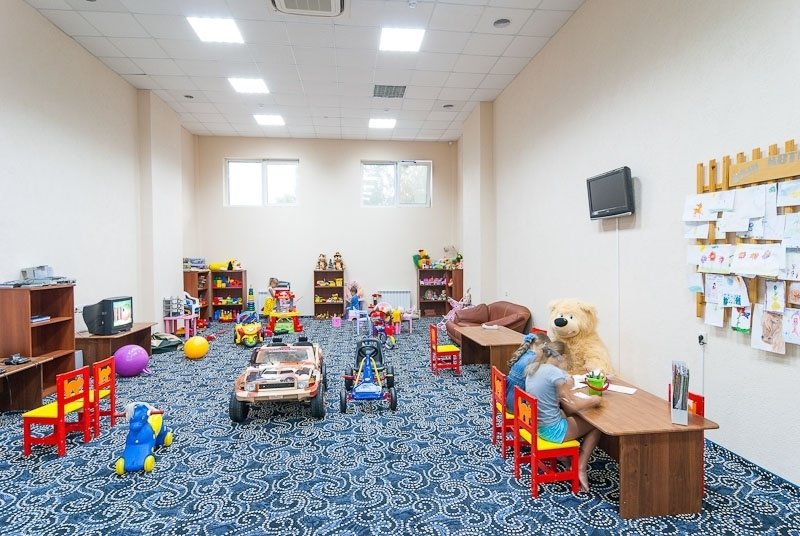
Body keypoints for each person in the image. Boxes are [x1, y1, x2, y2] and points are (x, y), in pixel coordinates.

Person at [524, 341, 602, 492]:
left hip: (537, 427)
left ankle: (564, 457)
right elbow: (573, 406)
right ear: (563, 357)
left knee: (564, 413)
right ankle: (580, 467)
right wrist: (594, 400)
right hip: (552, 431)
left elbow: (563, 400)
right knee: (597, 424)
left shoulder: (534, 368)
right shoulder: (555, 373)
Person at [505, 332, 551, 414]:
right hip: (518, 406)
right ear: (543, 346)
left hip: (506, 398)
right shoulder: (534, 359)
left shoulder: (523, 353)